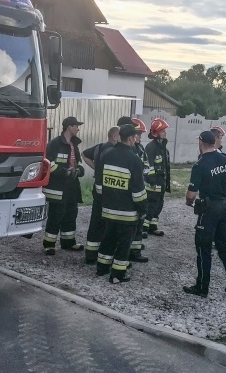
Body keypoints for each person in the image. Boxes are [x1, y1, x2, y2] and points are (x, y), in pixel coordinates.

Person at [183, 130, 226, 297]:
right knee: (224, 246)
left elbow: (191, 194)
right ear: (214, 142)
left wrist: (188, 202)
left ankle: (202, 286)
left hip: (209, 207)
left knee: (203, 247)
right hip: (224, 205)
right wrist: (222, 189)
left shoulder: (200, 164)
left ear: (201, 143)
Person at [95, 124, 148, 283]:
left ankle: (102, 268)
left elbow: (99, 183)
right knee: (124, 243)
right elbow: (138, 191)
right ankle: (117, 274)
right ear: (131, 138)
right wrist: (143, 209)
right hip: (127, 213)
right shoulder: (135, 160)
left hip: (108, 209)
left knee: (108, 239)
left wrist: (104, 201)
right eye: (135, 137)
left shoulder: (107, 155)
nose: (136, 139)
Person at [42, 116, 85, 255]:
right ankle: (49, 244)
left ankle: (68, 242)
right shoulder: (55, 143)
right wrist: (63, 172)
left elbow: (78, 164)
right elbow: (48, 162)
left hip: (72, 186)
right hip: (58, 187)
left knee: (71, 214)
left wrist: (79, 171)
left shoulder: (74, 144)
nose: (78, 129)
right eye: (76, 126)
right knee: (56, 215)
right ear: (69, 127)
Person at [81, 126, 120, 264]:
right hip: (108, 193)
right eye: (120, 136)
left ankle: (90, 254)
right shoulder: (114, 151)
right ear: (115, 137)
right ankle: (104, 256)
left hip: (97, 191)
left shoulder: (99, 147)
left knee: (95, 221)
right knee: (107, 223)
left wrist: (95, 168)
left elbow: (84, 154)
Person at [144, 118, 171, 237]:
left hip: (161, 182)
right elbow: (148, 165)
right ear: (156, 132)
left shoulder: (163, 147)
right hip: (153, 183)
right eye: (163, 130)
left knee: (159, 204)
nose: (165, 132)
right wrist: (152, 181)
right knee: (151, 205)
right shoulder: (151, 147)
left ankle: (153, 226)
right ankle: (143, 228)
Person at [128, 118, 149, 262]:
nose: (140, 137)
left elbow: (146, 165)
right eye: (138, 134)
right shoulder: (129, 150)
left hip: (141, 187)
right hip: (131, 190)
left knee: (139, 223)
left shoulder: (140, 149)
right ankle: (130, 250)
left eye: (141, 134)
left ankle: (135, 251)